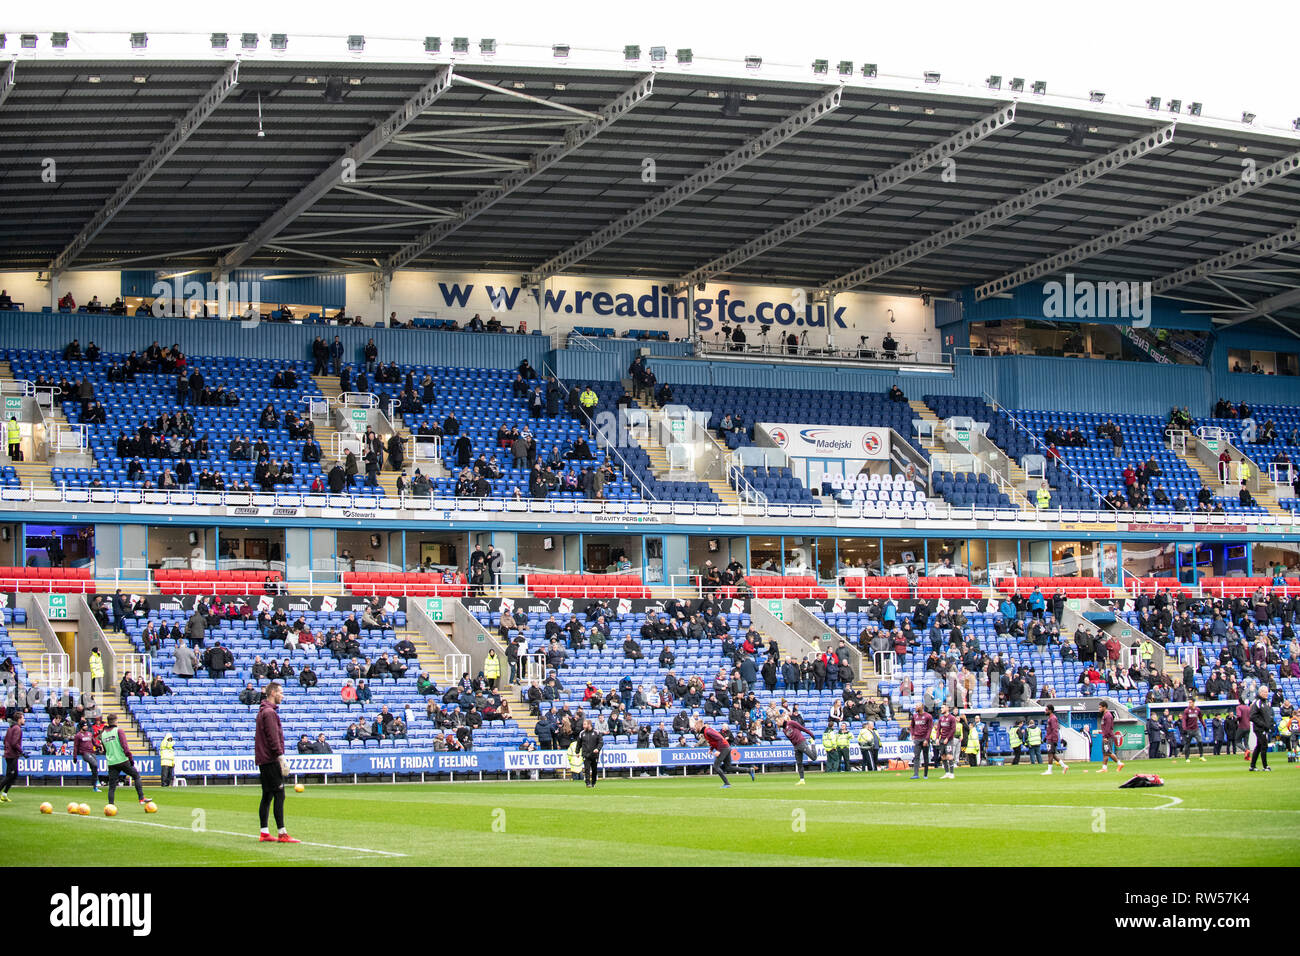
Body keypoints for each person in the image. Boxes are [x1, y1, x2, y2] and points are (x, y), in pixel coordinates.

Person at [255, 682, 300, 842]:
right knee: (279, 794)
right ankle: (282, 833)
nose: (283, 695)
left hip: (263, 759)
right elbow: (273, 738)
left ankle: (264, 832)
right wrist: (281, 758)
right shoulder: (269, 713)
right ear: (273, 693)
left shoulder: (263, 711)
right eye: (281, 692)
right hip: (270, 759)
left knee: (267, 795)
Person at [100, 714, 150, 808]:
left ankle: (111, 805)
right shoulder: (119, 731)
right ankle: (141, 798)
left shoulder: (103, 734)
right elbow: (125, 747)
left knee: (112, 786)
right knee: (136, 776)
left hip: (111, 762)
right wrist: (130, 758)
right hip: (122, 760)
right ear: (115, 721)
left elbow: (105, 750)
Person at [694, 718, 755, 789]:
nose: (695, 728)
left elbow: (720, 738)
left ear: (699, 726)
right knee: (728, 767)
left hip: (723, 748)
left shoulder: (707, 731)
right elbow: (714, 741)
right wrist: (711, 749)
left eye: (695, 726)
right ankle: (749, 770)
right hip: (726, 747)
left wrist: (719, 751)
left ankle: (727, 783)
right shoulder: (705, 732)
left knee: (716, 766)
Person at [779, 712, 817, 783]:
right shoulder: (784, 730)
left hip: (801, 743)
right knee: (799, 763)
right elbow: (791, 739)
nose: (777, 723)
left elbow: (802, 728)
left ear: (782, 720)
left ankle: (813, 744)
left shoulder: (791, 723)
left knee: (813, 758)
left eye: (777, 721)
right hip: (796, 746)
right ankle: (802, 779)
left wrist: (811, 734)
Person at [0, 712, 24, 802]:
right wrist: (22, 751)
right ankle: (3, 793)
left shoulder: (10, 728)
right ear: (19, 719)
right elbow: (14, 743)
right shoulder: (17, 729)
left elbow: (5, 741)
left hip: (9, 754)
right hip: (12, 755)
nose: (24, 720)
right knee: (10, 775)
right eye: (23, 718)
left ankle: (4, 794)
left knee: (14, 775)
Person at [1096, 699, 1124, 774]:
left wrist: (1105, 737)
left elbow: (1108, 727)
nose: (1099, 709)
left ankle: (1119, 763)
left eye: (1100, 707)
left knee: (1108, 752)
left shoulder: (1108, 715)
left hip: (1108, 737)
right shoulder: (1105, 715)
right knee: (1105, 753)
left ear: (1104, 707)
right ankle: (1104, 768)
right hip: (1106, 736)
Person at [1249, 687, 1273, 772]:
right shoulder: (1257, 702)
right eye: (1265, 692)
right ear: (1260, 692)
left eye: (1267, 692)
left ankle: (1252, 766)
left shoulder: (1265, 702)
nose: (1267, 694)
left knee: (1259, 746)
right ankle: (1265, 766)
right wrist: (1262, 724)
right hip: (1259, 728)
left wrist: (1269, 725)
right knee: (1264, 745)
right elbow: (1252, 716)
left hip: (1264, 728)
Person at [73, 719, 101, 792]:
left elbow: (94, 742)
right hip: (85, 753)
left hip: (92, 752)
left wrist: (99, 746)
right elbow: (75, 746)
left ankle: (95, 787)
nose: (86, 727)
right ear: (81, 726)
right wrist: (75, 756)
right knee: (94, 764)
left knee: (94, 768)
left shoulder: (89, 734)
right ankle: (97, 781)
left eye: (86, 725)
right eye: (85, 725)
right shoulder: (78, 735)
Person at [1041, 704, 1068, 775]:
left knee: (1050, 754)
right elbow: (1049, 730)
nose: (1045, 711)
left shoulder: (1053, 718)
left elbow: (1054, 730)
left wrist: (1055, 740)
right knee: (1053, 755)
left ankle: (1049, 771)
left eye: (1046, 710)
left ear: (1050, 710)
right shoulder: (1050, 718)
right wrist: (1045, 738)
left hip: (1052, 740)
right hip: (1050, 738)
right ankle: (1064, 766)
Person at [909, 702, 934, 780]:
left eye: (917, 706)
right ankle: (916, 774)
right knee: (916, 756)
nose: (915, 707)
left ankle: (925, 774)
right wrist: (912, 734)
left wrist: (927, 739)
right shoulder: (914, 716)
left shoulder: (928, 716)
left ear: (921, 707)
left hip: (924, 739)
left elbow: (930, 728)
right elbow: (912, 726)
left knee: (925, 756)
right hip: (917, 739)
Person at [577, 718, 603, 789]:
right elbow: (578, 743)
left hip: (594, 755)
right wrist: (577, 752)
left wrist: (597, 749)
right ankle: (587, 783)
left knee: (594, 769)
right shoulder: (582, 733)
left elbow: (601, 742)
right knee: (587, 769)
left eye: (584, 724)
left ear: (589, 724)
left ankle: (593, 782)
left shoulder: (596, 732)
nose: (583, 726)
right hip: (586, 754)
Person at [935, 704, 958, 779]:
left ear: (947, 708)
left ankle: (952, 773)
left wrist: (947, 738)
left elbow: (953, 729)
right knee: (943, 756)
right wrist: (937, 738)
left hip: (949, 740)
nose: (941, 709)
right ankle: (947, 773)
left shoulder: (952, 718)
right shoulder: (941, 718)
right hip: (942, 739)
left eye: (942, 707)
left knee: (949, 756)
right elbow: (938, 729)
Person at [1181, 698, 1207, 763]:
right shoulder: (1186, 710)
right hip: (1189, 730)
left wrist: (1204, 725)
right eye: (1189, 702)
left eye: (1190, 702)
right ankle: (1187, 758)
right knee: (1187, 744)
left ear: (1193, 703)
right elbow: (1184, 720)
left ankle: (1201, 756)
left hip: (1196, 729)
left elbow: (1200, 718)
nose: (1189, 704)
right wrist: (1184, 728)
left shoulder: (1197, 710)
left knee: (1200, 742)